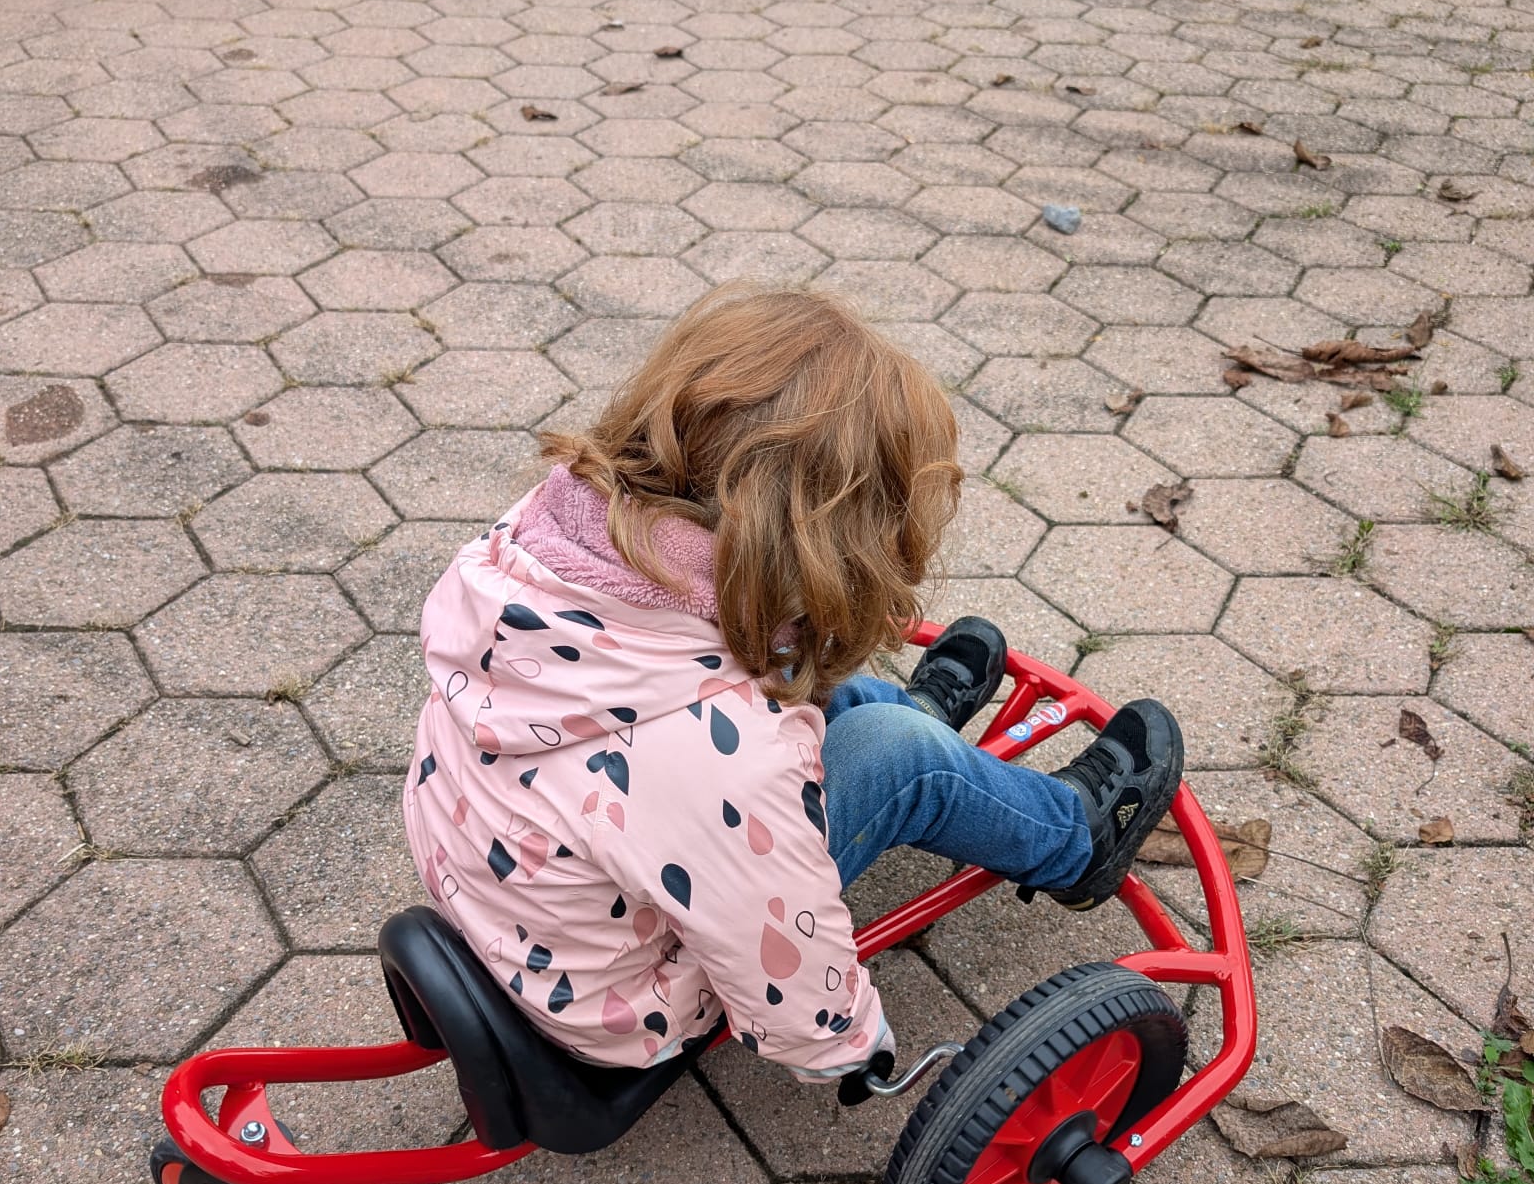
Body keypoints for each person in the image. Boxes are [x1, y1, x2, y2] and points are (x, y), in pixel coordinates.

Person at [403, 286, 1182, 1086]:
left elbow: (694, 713)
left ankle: (907, 719)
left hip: (512, 890)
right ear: (834, 541)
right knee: (904, 758)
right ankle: (1076, 842)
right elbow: (774, 957)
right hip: (628, 1000)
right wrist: (851, 1042)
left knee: (803, 701)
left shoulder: (538, 541)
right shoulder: (723, 757)